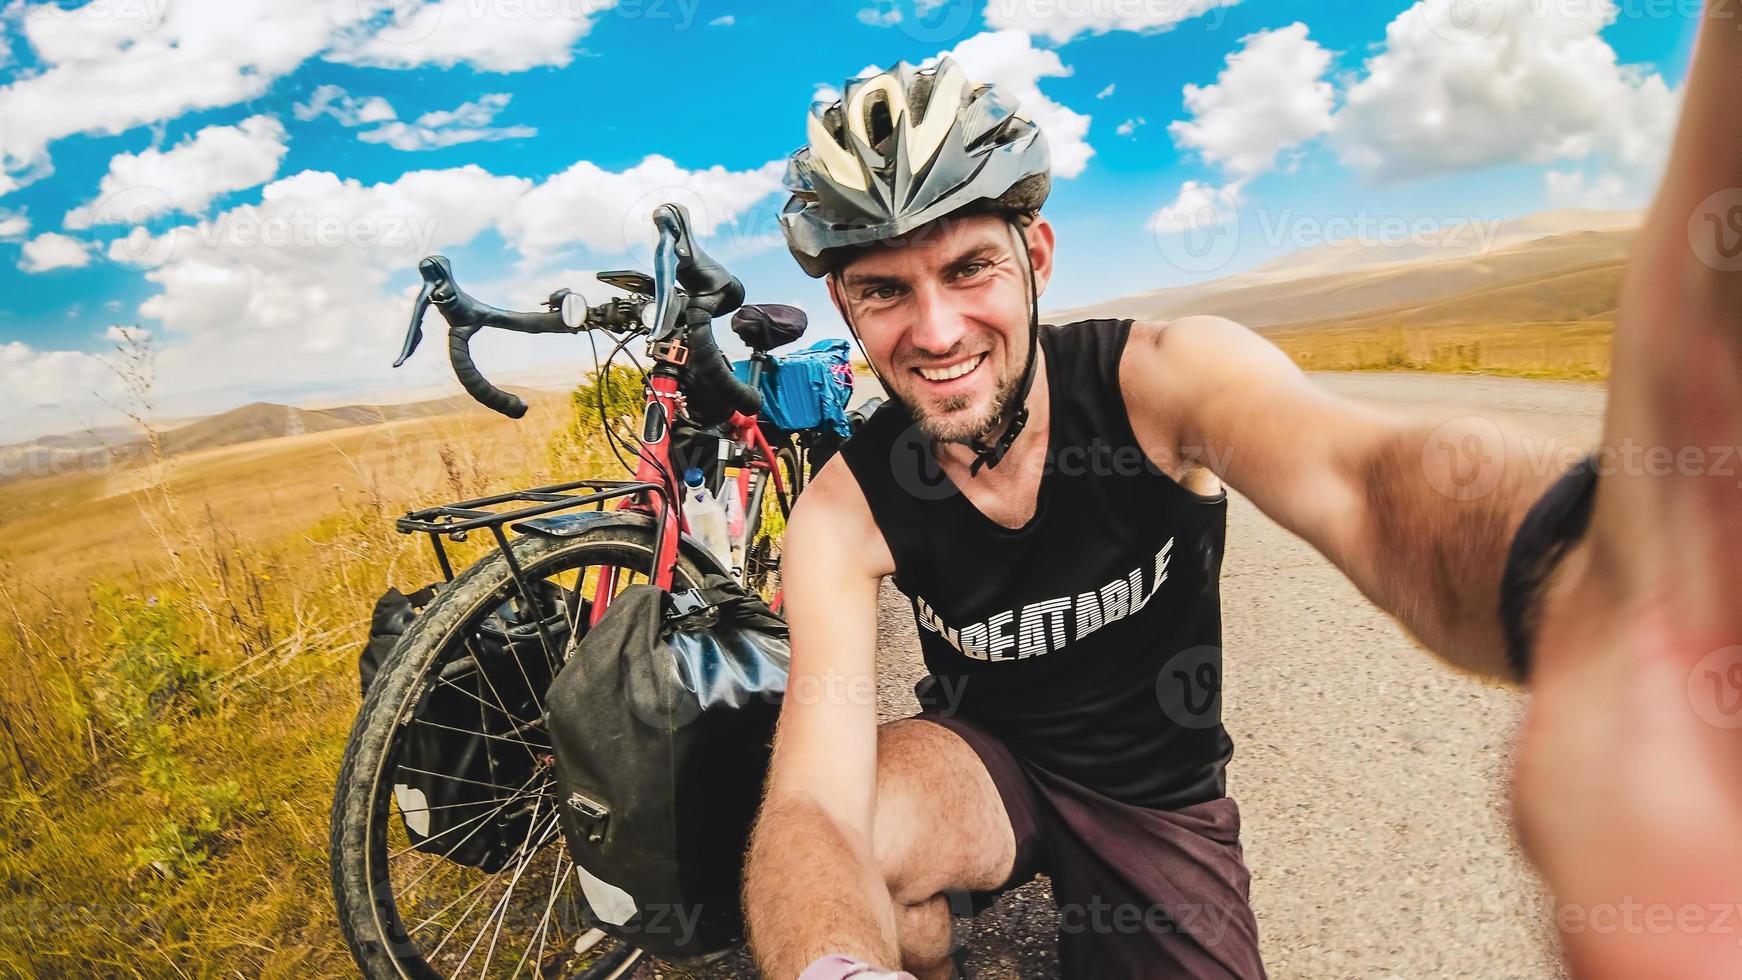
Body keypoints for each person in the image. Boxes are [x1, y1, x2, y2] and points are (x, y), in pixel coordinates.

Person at [743, 8, 1742, 975]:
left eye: (968, 269)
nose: (936, 329)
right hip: (981, 766)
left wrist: (1577, 571)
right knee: (852, 848)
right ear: (844, 303)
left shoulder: (1164, 378)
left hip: (1153, 796)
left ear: (1034, 257)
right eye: (883, 290)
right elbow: (811, 803)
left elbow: (1368, 484)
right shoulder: (844, 507)